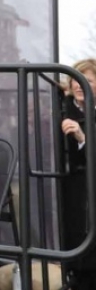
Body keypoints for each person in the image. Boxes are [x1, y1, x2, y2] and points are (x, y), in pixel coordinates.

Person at [60, 58, 96, 290]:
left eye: (88, 80)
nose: (79, 84)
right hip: (69, 189)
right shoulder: (61, 109)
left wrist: (83, 139)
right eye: (75, 79)